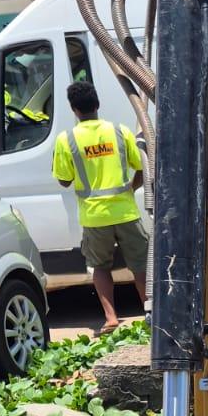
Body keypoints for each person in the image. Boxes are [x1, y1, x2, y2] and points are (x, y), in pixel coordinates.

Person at [53, 81, 148, 332]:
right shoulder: (119, 130)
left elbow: (63, 180)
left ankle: (111, 318)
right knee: (140, 266)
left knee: (101, 268)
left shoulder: (67, 139)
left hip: (94, 217)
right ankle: (151, 313)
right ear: (97, 104)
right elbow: (142, 166)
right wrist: (131, 187)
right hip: (126, 212)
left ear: (74, 109)